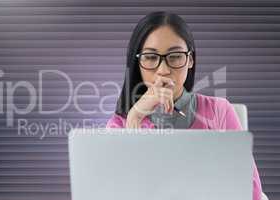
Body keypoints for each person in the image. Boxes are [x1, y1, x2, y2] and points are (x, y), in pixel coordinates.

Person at [106, 11, 263, 200]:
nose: (163, 70)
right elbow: (113, 193)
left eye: (175, 56)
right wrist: (135, 118)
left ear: (190, 60)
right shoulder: (120, 123)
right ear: (137, 63)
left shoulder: (219, 111)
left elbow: (251, 194)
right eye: (150, 57)